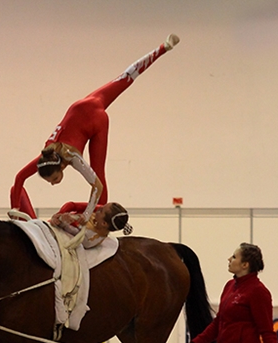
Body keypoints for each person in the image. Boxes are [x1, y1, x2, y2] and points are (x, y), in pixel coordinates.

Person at [10, 33, 180, 220]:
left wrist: (85, 216)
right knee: (125, 78)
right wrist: (16, 211)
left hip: (96, 121)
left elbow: (96, 186)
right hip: (82, 105)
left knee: (99, 177)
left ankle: (97, 215)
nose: (53, 184)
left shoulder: (72, 157)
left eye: (55, 179)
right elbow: (19, 179)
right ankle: (163, 47)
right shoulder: (46, 157)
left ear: (60, 168)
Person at [49, 201, 132, 249]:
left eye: (101, 210)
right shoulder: (100, 214)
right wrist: (58, 214)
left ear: (104, 223)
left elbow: (68, 229)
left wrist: (62, 220)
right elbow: (72, 205)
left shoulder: (90, 239)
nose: (98, 208)